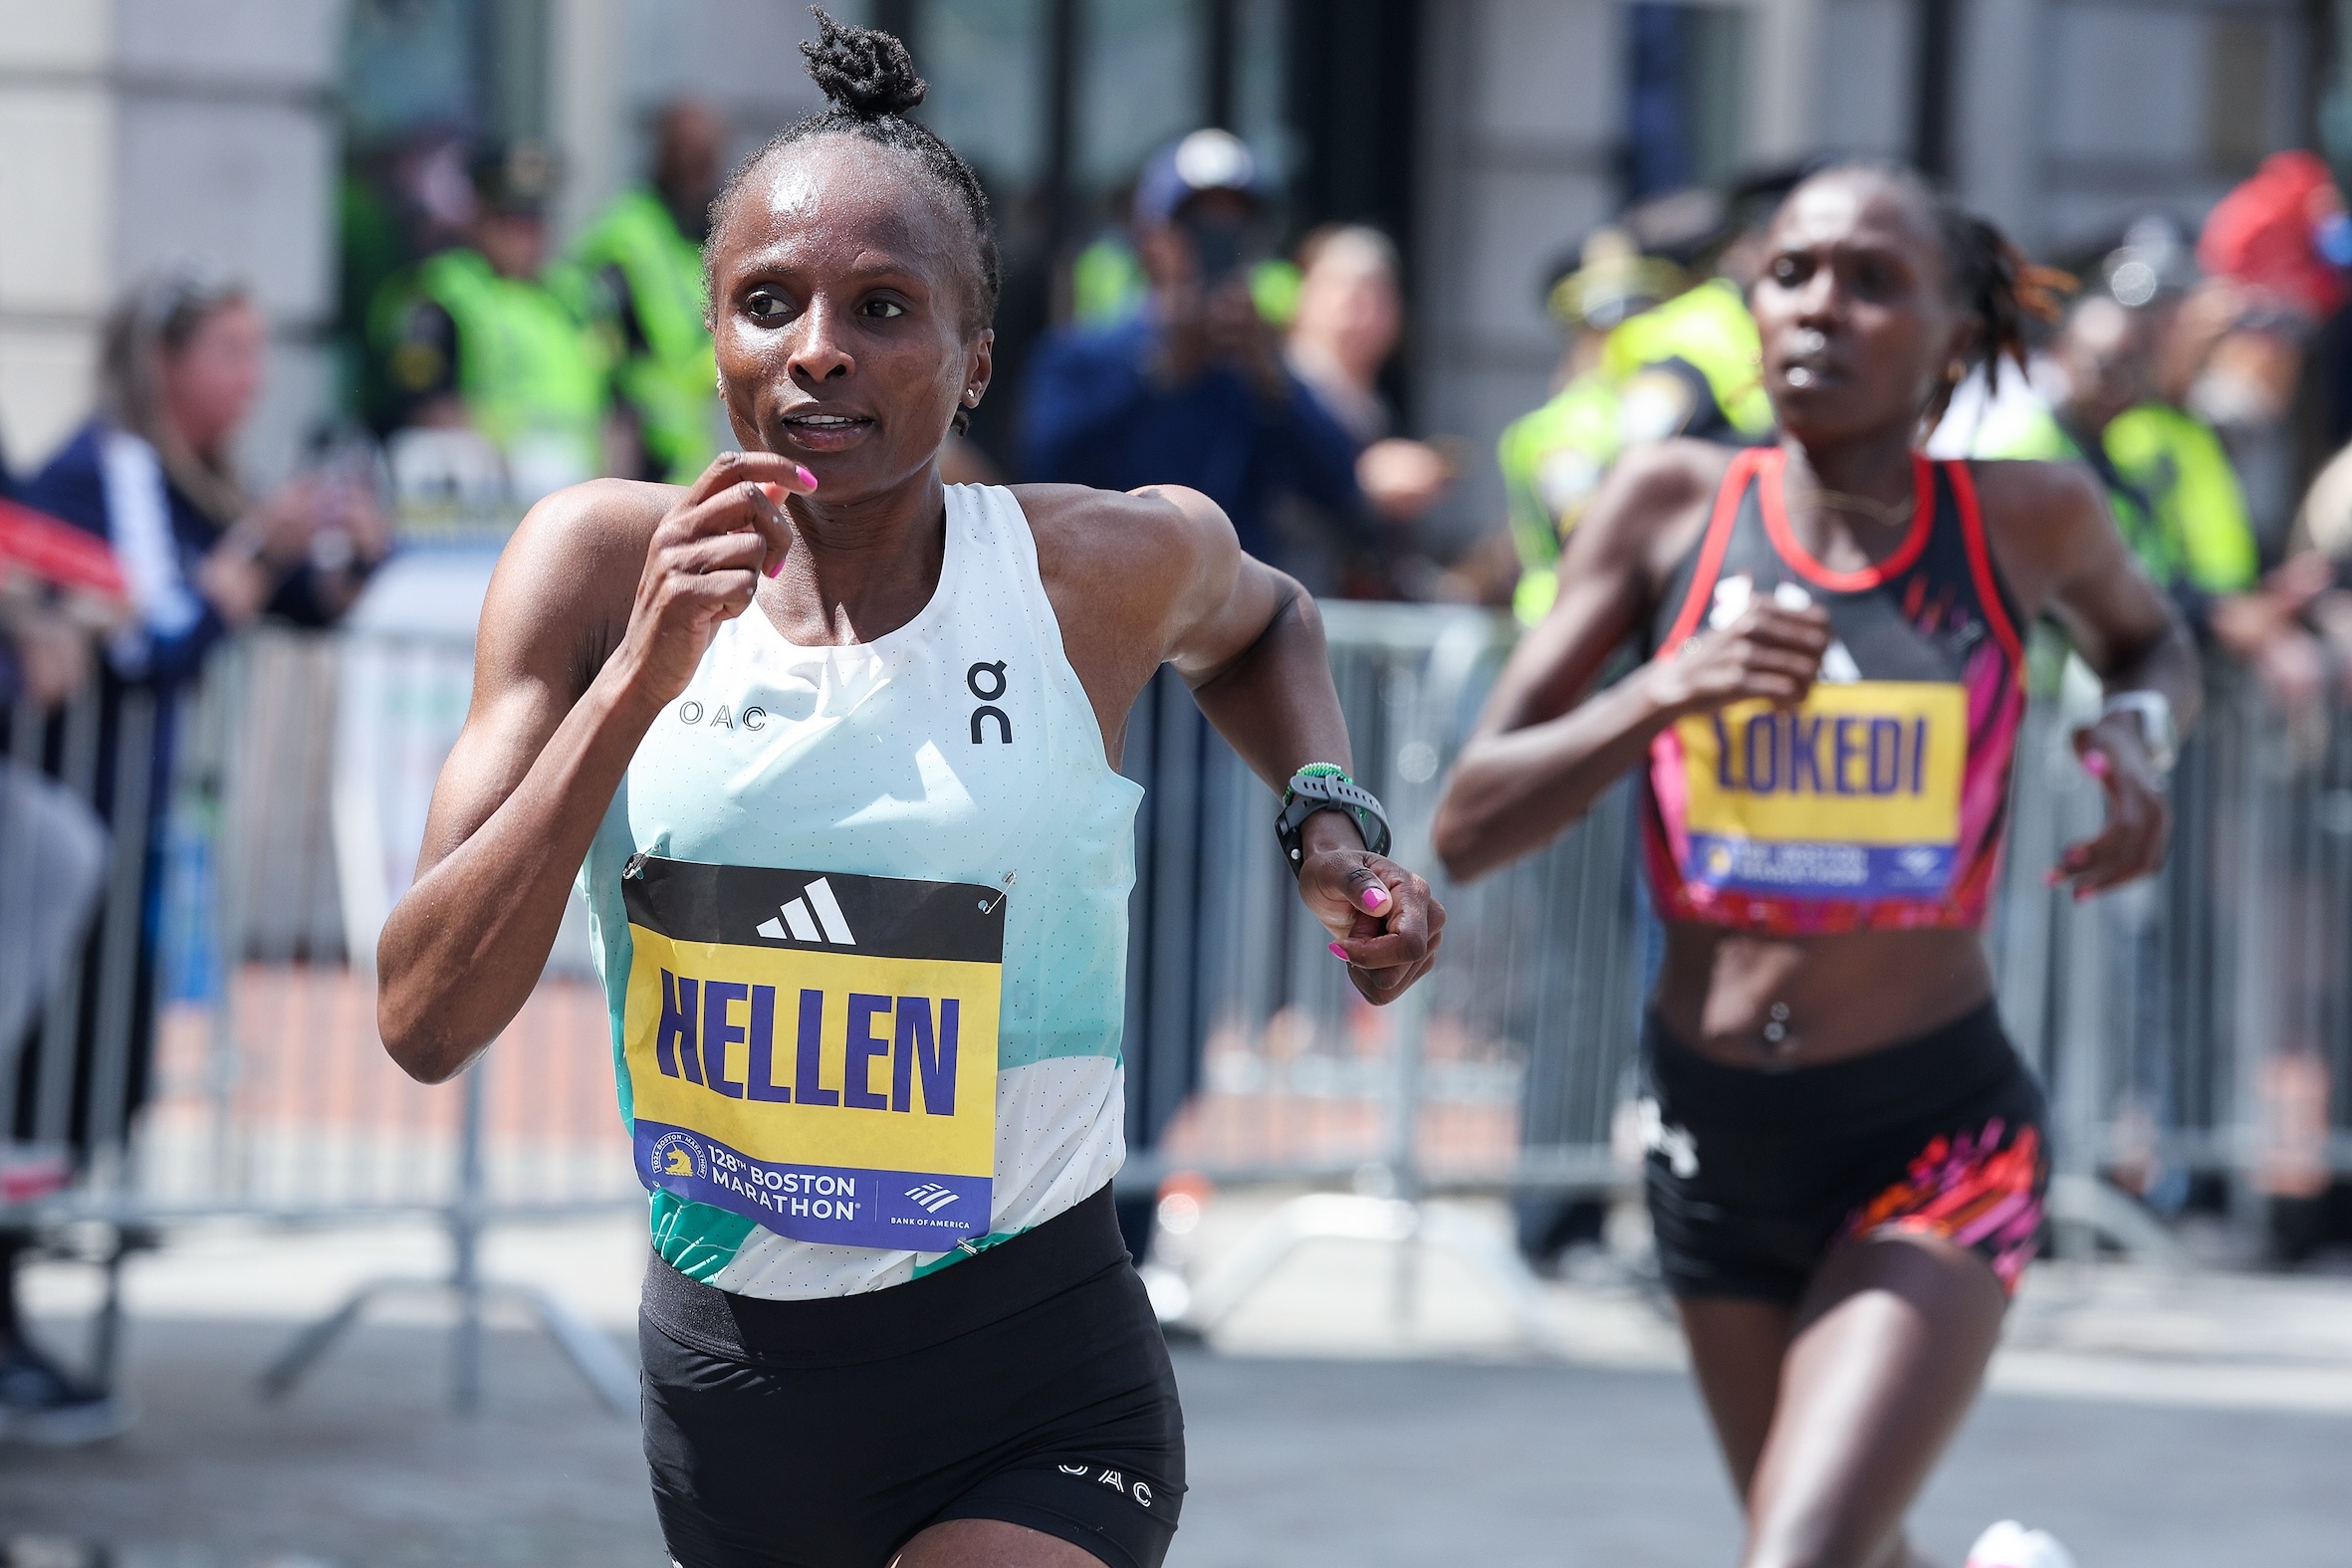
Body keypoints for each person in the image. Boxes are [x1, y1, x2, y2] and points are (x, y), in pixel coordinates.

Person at [372, 17, 1441, 1568]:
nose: (819, 347)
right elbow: (422, 1018)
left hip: (1036, 1370)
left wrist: (1326, 820)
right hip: (739, 1389)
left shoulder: (1084, 571)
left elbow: (1265, 613)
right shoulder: (594, 568)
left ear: (972, 357)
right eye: (767, 304)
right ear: (715, 339)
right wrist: (630, 686)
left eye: (882, 308)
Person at [1433, 163, 2197, 1568]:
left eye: (1870, 280)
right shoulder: (1666, 504)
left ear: (1955, 337)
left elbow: (2149, 642)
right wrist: (1668, 687)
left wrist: (2140, 736)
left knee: (1798, 1550)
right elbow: (1468, 820)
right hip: (1708, 1135)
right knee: (1851, 1541)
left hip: (1933, 1133)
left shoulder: (2024, 518)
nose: (1816, 309)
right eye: (1789, 272)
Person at [12, 269, 386, 1442]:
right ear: (162, 362)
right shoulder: (103, 468)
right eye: (227, 350)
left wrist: (346, 556)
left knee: (91, 1081)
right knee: (42, 1080)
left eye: (255, 350)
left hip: (112, 839)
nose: (250, 377)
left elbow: (294, 612)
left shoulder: (178, 479)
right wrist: (246, 559)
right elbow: (139, 644)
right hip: (63, 828)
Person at [1020, 128, 1363, 562]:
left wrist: (1271, 382)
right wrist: (1156, 373)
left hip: (1232, 611)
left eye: (1237, 226)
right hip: (1113, 599)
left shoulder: (1262, 366)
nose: (1218, 240)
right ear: (1151, 236)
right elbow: (1042, 470)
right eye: (1197, 225)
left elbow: (1341, 490)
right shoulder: (1081, 355)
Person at [1499, 189, 1775, 624]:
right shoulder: (1571, 420)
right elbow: (1584, 520)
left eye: (1642, 311)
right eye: (1604, 325)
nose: (1626, 332)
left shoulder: (1648, 381)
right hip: (1582, 629)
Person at [369, 142, 615, 499]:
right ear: (479, 218)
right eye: (510, 222)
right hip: (490, 496)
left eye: (533, 222)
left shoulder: (576, 298)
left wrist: (612, 491)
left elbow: (616, 413)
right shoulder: (442, 294)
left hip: (584, 494)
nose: (525, 237)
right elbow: (428, 406)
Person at [1275, 224, 1451, 597]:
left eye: (1376, 291)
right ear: (1303, 295)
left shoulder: (1373, 407)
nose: (1357, 307)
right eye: (1340, 286)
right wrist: (1363, 482)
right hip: (1283, 602)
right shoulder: (1274, 388)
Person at [576, 102, 728, 485]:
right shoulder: (628, 233)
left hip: (690, 444)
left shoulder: (700, 235)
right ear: (662, 156)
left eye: (707, 158)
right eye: (688, 155)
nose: (700, 171)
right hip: (635, 441)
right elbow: (600, 347)